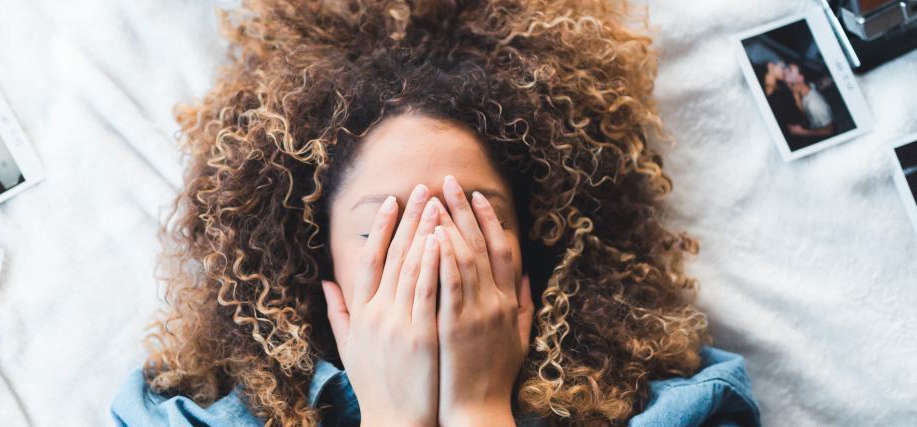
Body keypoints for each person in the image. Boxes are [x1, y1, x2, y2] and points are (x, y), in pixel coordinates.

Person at [112, 1, 758, 426]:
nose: (432, 252)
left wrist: (479, 409)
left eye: (472, 218)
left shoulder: (686, 404)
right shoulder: (182, 415)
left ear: (532, 250)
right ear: (317, 258)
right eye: (382, 228)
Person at [782, 64, 835, 143]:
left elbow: (831, 130)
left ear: (800, 78)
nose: (785, 70)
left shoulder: (814, 103)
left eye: (789, 70)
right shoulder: (804, 93)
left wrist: (802, 132)